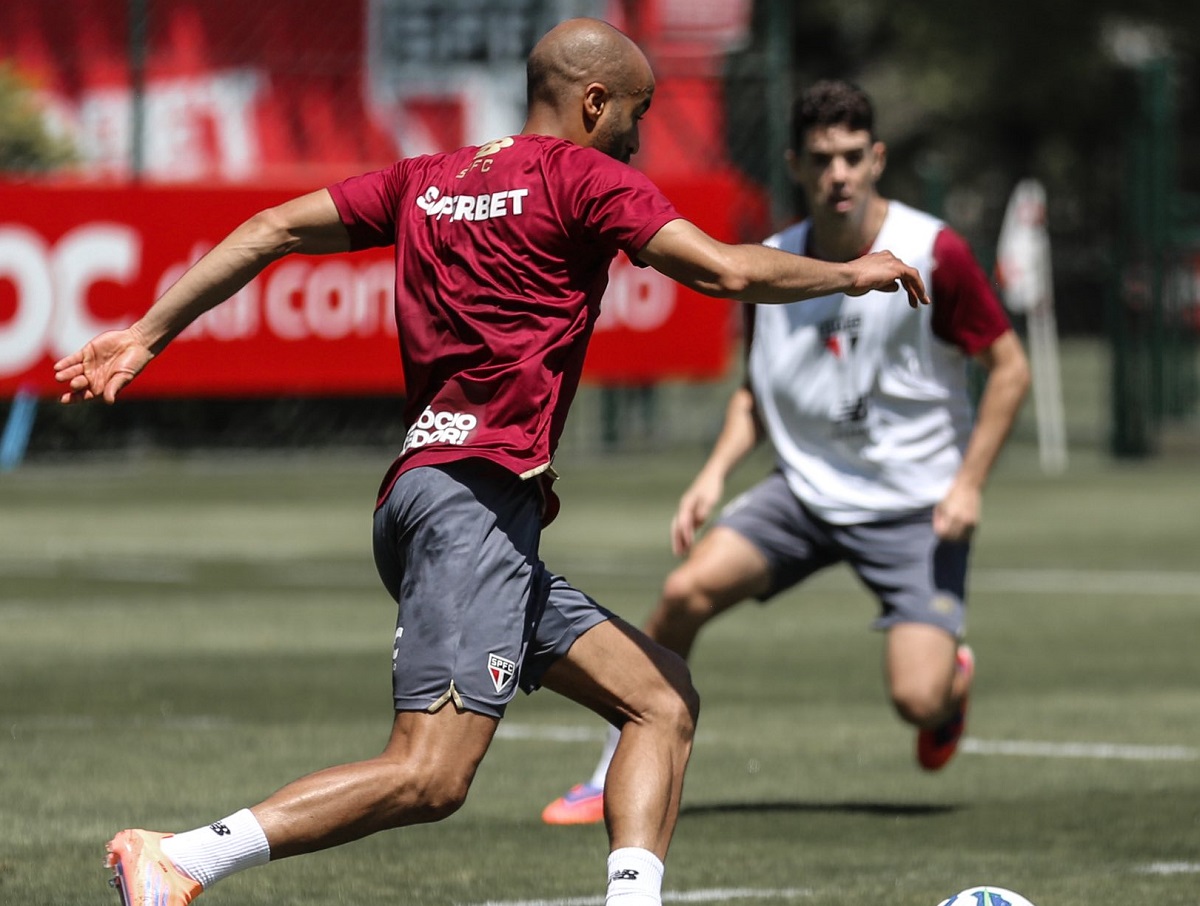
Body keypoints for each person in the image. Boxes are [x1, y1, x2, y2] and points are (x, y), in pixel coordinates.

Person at [56, 25, 928, 904]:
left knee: (660, 699)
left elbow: (272, 226)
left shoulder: (428, 179)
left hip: (431, 498)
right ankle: (183, 859)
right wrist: (848, 274)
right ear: (594, 103)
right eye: (638, 112)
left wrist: (146, 334)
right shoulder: (587, 177)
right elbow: (727, 271)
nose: (639, 134)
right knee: (430, 774)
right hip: (471, 506)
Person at [541, 78, 1030, 826]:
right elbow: (755, 394)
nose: (838, 173)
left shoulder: (935, 250)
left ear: (877, 160)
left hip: (914, 507)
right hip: (803, 493)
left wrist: (968, 485)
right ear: (795, 165)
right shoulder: (772, 257)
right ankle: (612, 769)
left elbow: (1010, 367)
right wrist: (710, 476)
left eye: (851, 156)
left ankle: (950, 686)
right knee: (681, 595)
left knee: (916, 697)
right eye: (821, 159)